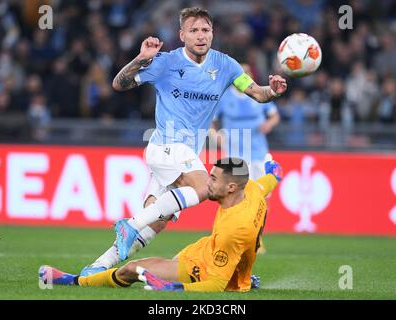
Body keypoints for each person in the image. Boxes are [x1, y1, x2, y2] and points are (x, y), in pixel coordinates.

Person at [80, 7, 287, 276]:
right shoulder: (165, 62)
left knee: (156, 222)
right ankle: (129, 225)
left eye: (205, 30)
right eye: (194, 31)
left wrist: (273, 90)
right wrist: (140, 59)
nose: (200, 36)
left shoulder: (226, 65)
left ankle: (96, 269)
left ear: (212, 33)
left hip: (184, 153)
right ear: (182, 35)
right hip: (164, 146)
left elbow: (257, 94)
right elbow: (120, 84)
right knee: (205, 188)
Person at [39, 156, 283, 292]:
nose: (206, 183)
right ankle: (242, 280)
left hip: (204, 268)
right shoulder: (250, 189)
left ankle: (72, 281)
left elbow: (216, 284)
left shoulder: (234, 229)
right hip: (204, 249)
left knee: (133, 269)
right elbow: (268, 182)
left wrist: (175, 289)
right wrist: (274, 171)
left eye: (213, 179)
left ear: (231, 187)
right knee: (170, 261)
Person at [212, 63, 280, 254]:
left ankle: (257, 237)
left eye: (248, 72)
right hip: (234, 156)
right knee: (234, 196)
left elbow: (274, 116)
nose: (246, 76)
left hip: (258, 152)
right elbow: (212, 120)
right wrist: (216, 135)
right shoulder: (225, 98)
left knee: (261, 197)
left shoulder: (258, 95)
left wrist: (268, 124)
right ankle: (231, 235)